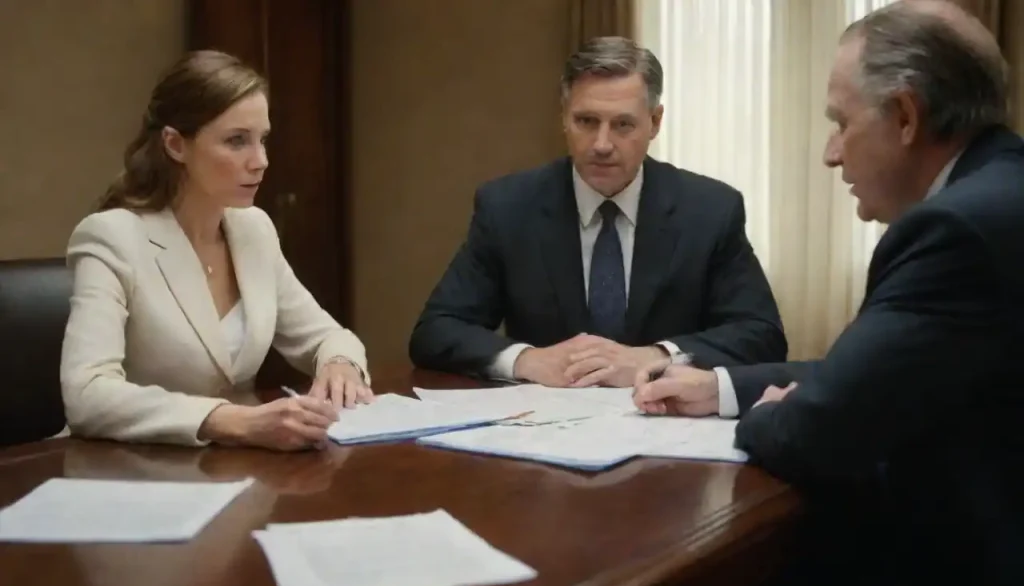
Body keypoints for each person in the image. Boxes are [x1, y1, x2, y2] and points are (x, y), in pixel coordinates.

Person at [634, 1, 1024, 586]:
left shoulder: (955, 229)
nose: (830, 153)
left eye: (841, 122)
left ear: (904, 116)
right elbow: (888, 376)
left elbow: (818, 435)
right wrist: (724, 387)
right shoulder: (1002, 191)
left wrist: (766, 414)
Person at [408, 36, 786, 389]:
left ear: (654, 122)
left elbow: (761, 334)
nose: (602, 144)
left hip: (668, 428)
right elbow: (436, 330)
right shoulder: (508, 207)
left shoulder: (709, 210)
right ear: (563, 117)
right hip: (542, 431)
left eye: (623, 125)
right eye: (586, 122)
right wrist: (526, 360)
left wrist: (655, 357)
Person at [60, 50, 372, 451]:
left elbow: (325, 335)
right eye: (236, 141)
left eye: (263, 140)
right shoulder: (111, 237)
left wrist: (340, 364)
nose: (260, 161)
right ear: (175, 144)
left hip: (240, 476)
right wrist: (233, 421)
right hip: (128, 472)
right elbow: (87, 394)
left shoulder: (253, 229)